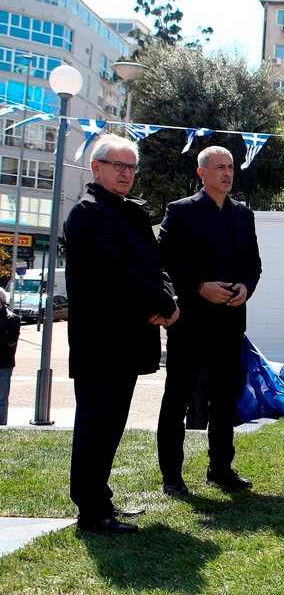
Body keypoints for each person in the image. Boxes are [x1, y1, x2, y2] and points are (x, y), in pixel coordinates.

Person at [64, 134, 179, 534]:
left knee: (111, 426)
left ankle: (101, 500)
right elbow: (119, 275)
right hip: (101, 343)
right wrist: (164, 307)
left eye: (131, 167)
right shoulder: (86, 214)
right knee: (95, 425)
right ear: (96, 168)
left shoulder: (131, 213)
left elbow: (155, 265)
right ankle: (91, 511)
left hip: (129, 341)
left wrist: (168, 297)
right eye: (118, 165)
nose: (126, 173)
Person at [157, 146, 262, 496]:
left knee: (225, 398)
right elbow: (167, 259)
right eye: (219, 167)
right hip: (190, 322)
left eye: (231, 167)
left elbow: (253, 264)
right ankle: (172, 476)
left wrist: (246, 287)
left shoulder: (243, 215)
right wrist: (200, 287)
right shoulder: (180, 211)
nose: (227, 173)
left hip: (231, 323)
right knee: (178, 398)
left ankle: (221, 468)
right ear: (201, 172)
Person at [0, 287, 21, 426]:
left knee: (1, 399)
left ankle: (1, 425)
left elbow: (11, 341)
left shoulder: (12, 318)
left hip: (4, 364)